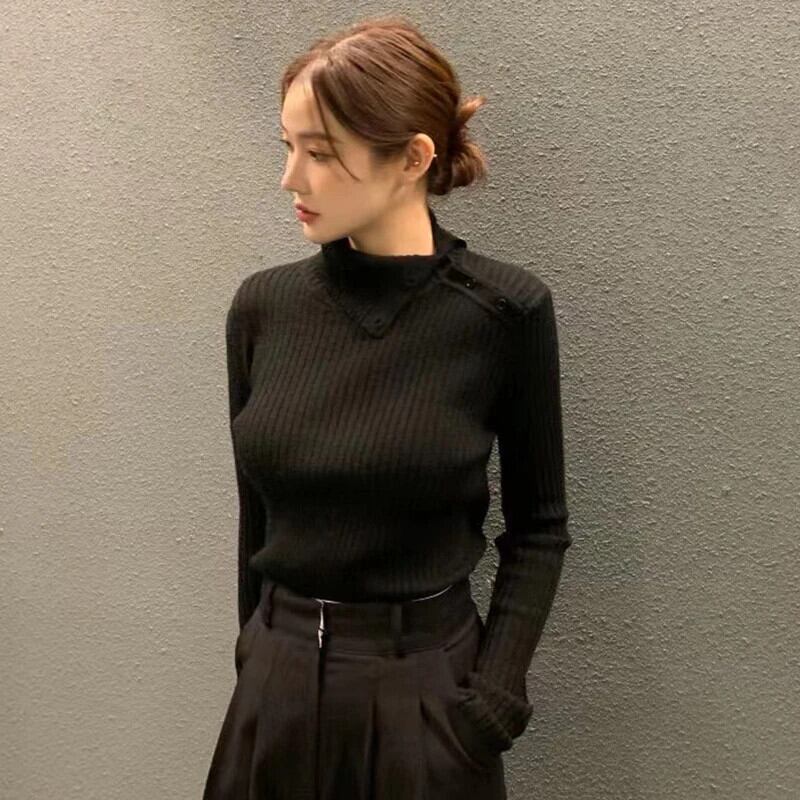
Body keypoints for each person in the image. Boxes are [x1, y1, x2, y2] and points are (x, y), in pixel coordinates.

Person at [203, 15, 571, 800]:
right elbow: (256, 514)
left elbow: (540, 528)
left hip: (425, 698)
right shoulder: (262, 309)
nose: (291, 179)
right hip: (276, 691)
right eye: (287, 147)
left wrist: (492, 700)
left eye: (320, 153)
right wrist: (254, 653)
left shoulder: (504, 311)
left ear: (412, 158)